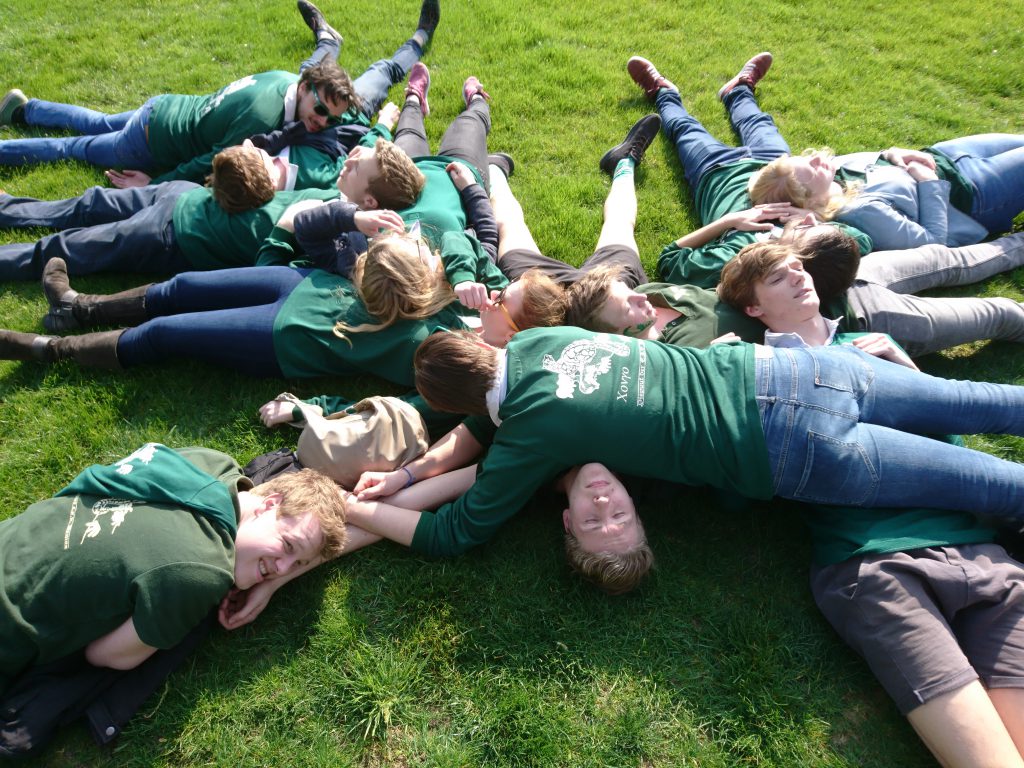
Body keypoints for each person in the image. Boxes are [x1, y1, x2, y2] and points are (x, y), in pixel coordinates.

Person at [335, 326, 1024, 563]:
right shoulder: (540, 343)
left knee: (988, 486)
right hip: (797, 370)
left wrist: (362, 508)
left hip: (788, 448)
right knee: (983, 400)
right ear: (483, 346)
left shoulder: (531, 437)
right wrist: (410, 471)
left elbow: (458, 531)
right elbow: (493, 417)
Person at [0, 443, 347, 752]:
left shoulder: (210, 462)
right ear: (270, 504)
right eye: (287, 546)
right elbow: (105, 655)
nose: (283, 568)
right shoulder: (201, 572)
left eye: (297, 564)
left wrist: (271, 576)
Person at [623, 52, 872, 289]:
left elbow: (672, 263)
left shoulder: (748, 244)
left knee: (685, 128)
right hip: (773, 164)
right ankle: (738, 90)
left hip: (717, 172)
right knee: (757, 122)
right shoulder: (804, 213)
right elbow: (861, 241)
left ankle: (663, 92)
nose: (809, 220)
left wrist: (728, 222)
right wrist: (806, 215)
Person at [0, 144, 342, 282]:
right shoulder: (334, 194)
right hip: (186, 194)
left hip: (173, 235)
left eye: (357, 166)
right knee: (90, 203)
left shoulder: (332, 243)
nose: (351, 161)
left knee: (70, 247)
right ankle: (8, 208)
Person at [718, 237, 1024, 357]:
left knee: (946, 258)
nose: (798, 275)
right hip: (870, 315)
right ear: (753, 308)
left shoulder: (800, 280)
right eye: (778, 277)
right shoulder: (782, 359)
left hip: (847, 279)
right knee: (999, 313)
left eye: (797, 267)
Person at [748, 134, 1024, 251]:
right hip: (976, 193)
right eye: (813, 169)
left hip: (947, 155)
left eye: (807, 159)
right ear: (811, 200)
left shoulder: (833, 172)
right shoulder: (861, 211)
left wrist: (893, 152)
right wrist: (929, 183)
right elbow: (932, 246)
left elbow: (877, 159)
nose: (818, 159)